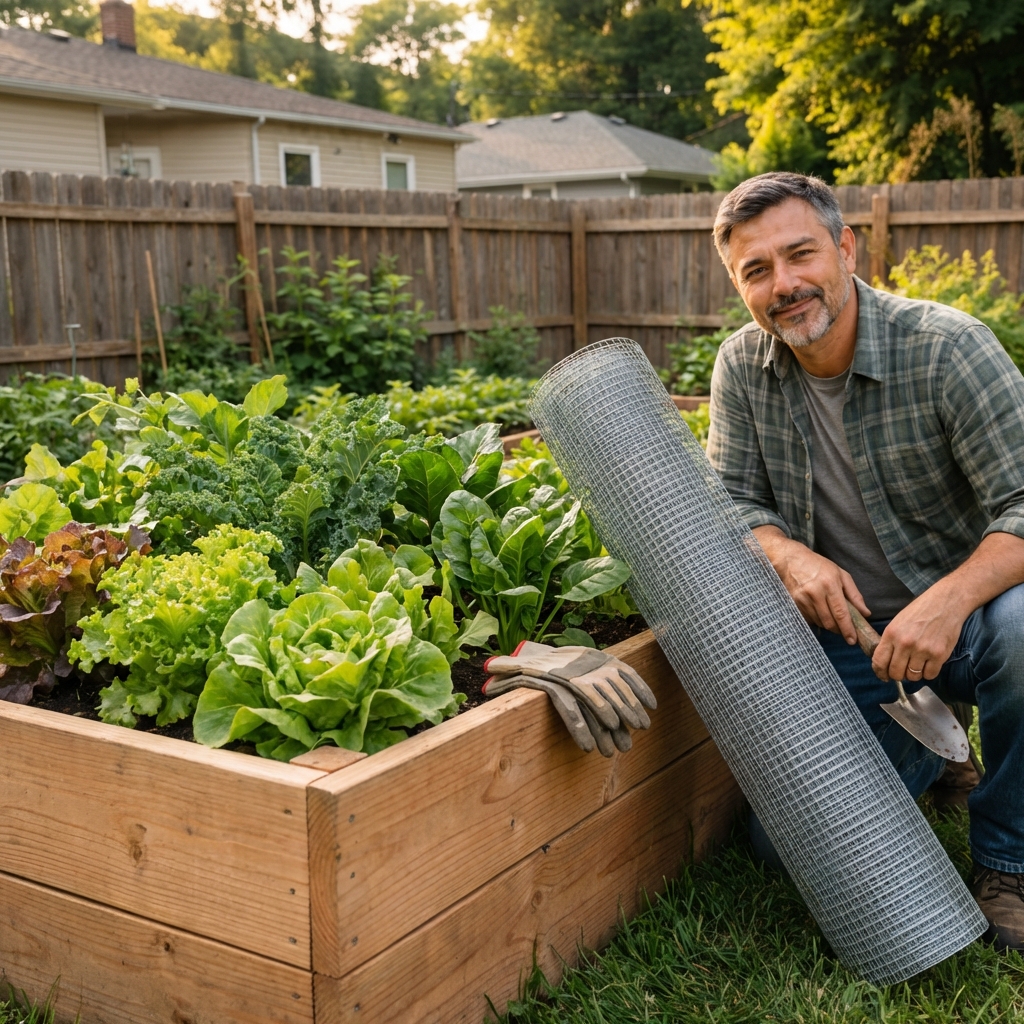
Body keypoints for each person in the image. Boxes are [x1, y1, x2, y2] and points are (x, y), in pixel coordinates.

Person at [706, 171, 1024, 952]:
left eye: (800, 254)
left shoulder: (948, 348)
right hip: (846, 641)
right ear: (739, 285)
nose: (784, 285)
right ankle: (933, 744)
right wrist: (787, 556)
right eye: (756, 271)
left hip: (968, 621)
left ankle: (1008, 862)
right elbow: (732, 505)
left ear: (845, 248)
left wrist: (947, 604)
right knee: (777, 851)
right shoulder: (742, 368)